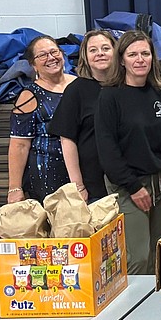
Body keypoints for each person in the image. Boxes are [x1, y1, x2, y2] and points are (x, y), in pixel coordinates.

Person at [95, 30, 161, 275]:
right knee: (138, 257)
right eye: (133, 54)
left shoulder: (160, 94)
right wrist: (132, 187)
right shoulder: (110, 96)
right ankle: (132, 311)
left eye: (145, 53)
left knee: (159, 254)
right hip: (128, 186)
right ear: (121, 60)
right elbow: (107, 149)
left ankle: (156, 310)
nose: (140, 59)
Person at [8, 36, 77, 204]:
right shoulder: (29, 95)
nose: (51, 58)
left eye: (54, 52)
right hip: (47, 176)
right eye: (43, 55)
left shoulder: (79, 84)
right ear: (33, 64)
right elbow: (19, 145)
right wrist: (15, 188)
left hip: (82, 170)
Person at [52, 29, 116, 202]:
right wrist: (78, 186)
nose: (100, 54)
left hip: (128, 181)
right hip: (93, 182)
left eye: (105, 48)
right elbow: (67, 140)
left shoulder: (126, 86)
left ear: (115, 51)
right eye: (93, 50)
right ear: (85, 56)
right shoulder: (76, 90)